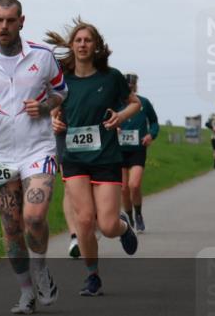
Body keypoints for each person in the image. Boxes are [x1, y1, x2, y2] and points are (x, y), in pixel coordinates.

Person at [0, 0, 67, 314]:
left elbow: (62, 90)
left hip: (38, 149)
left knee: (34, 217)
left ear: (22, 21)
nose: (4, 26)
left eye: (10, 20)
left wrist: (46, 105)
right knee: (11, 227)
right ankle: (25, 293)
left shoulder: (43, 56)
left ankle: (42, 269)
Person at [47, 18, 140, 297]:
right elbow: (55, 108)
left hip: (106, 157)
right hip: (74, 157)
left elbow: (134, 103)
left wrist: (120, 116)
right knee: (85, 220)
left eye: (88, 40)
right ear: (72, 45)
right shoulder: (62, 80)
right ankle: (92, 276)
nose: (83, 44)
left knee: (107, 225)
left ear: (96, 45)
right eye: (78, 40)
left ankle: (124, 227)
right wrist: (55, 121)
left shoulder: (111, 78)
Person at [118, 73, 159, 233]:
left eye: (132, 86)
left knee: (134, 185)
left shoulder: (144, 103)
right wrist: (114, 128)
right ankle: (129, 218)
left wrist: (151, 135)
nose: (129, 88)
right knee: (123, 189)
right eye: (126, 86)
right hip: (119, 150)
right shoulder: (115, 103)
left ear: (136, 86)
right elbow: (104, 121)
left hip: (137, 149)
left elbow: (154, 122)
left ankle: (139, 214)